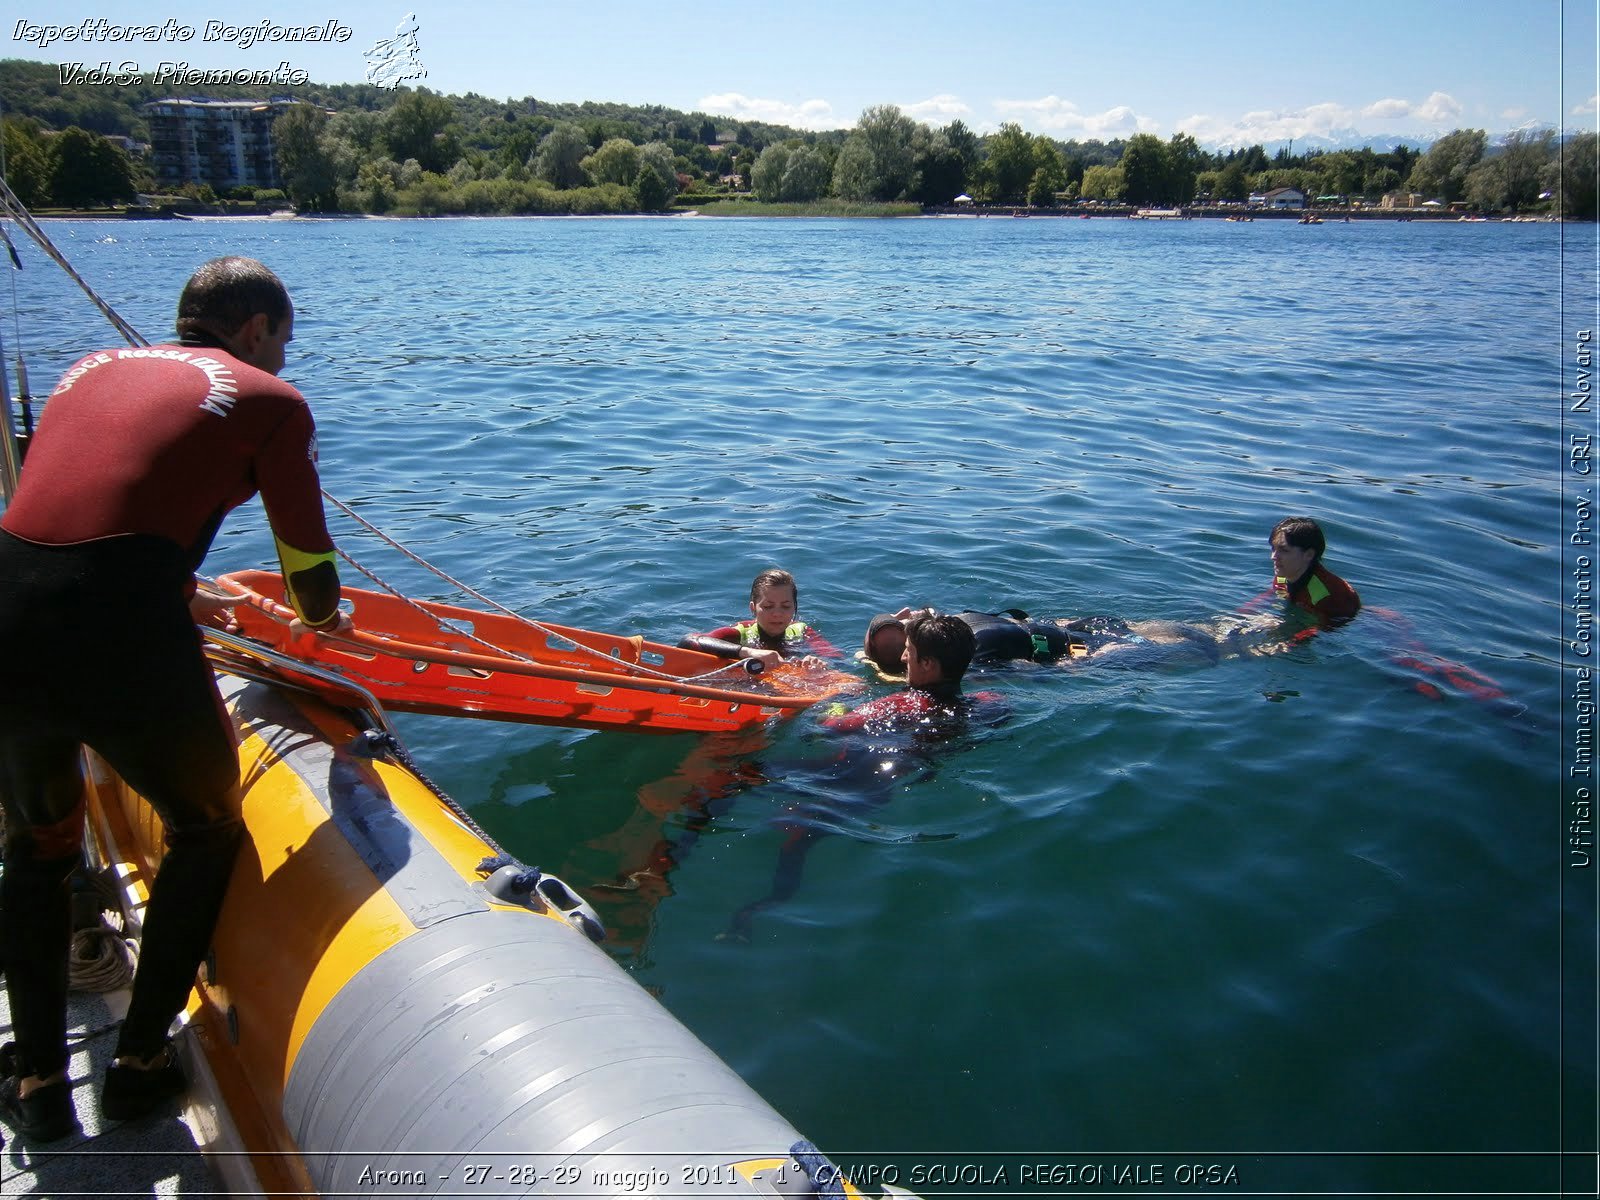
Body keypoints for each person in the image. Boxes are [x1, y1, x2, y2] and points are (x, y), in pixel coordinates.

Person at [0, 256, 349, 1142]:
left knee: (36, 849)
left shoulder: (90, 366)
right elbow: (307, 563)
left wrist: (184, 590)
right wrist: (323, 618)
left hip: (8, 614)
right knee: (205, 827)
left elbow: (78, 523)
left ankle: (38, 1080)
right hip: (124, 640)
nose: (282, 360)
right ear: (257, 329)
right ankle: (138, 1063)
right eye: (284, 341)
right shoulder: (271, 403)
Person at [859, 607, 1251, 676]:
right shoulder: (952, 622)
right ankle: (1237, 628)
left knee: (1207, 652)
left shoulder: (970, 655)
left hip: (1092, 649)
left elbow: (1029, 672)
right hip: (1077, 626)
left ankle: (1248, 642)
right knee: (1200, 632)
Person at [678, 568, 840, 668]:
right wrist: (749, 652)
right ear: (753, 608)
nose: (777, 613)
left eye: (786, 606)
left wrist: (818, 663)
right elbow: (690, 641)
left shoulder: (801, 631)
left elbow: (836, 659)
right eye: (768, 606)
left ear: (795, 608)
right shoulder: (740, 633)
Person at [1265, 516, 1361, 626]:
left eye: (1284, 550)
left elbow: (1322, 627)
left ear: (1309, 555)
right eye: (1273, 548)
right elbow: (1276, 593)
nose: (1273, 556)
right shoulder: (1284, 573)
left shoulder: (1323, 594)